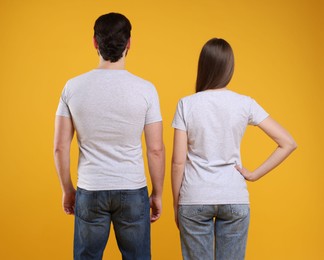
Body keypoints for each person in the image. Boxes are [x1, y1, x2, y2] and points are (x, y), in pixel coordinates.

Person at [171, 38, 297, 260]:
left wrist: (177, 203)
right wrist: (254, 175)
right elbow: (288, 142)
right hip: (234, 196)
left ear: (203, 66)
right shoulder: (244, 103)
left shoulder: (187, 104)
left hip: (195, 197)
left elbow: (178, 162)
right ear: (229, 68)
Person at [54, 13, 165, 260]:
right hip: (132, 188)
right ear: (129, 44)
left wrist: (67, 189)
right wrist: (157, 194)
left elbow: (60, 147)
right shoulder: (146, 89)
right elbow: (155, 149)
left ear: (95, 43)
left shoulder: (72, 87)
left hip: (91, 189)